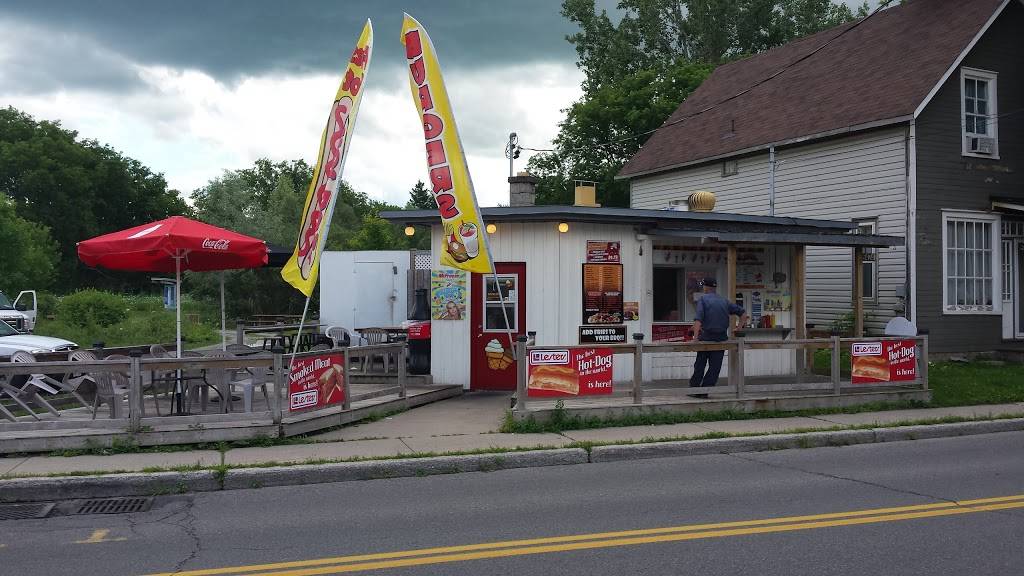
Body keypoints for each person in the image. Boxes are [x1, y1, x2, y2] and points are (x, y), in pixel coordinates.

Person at [689, 277, 748, 398]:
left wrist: (695, 338)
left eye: (703, 286)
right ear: (714, 287)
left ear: (706, 287)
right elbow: (743, 313)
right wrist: (739, 328)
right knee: (715, 368)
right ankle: (705, 391)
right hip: (721, 339)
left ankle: (695, 390)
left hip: (706, 338)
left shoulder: (703, 300)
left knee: (700, 365)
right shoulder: (724, 301)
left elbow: (698, 320)